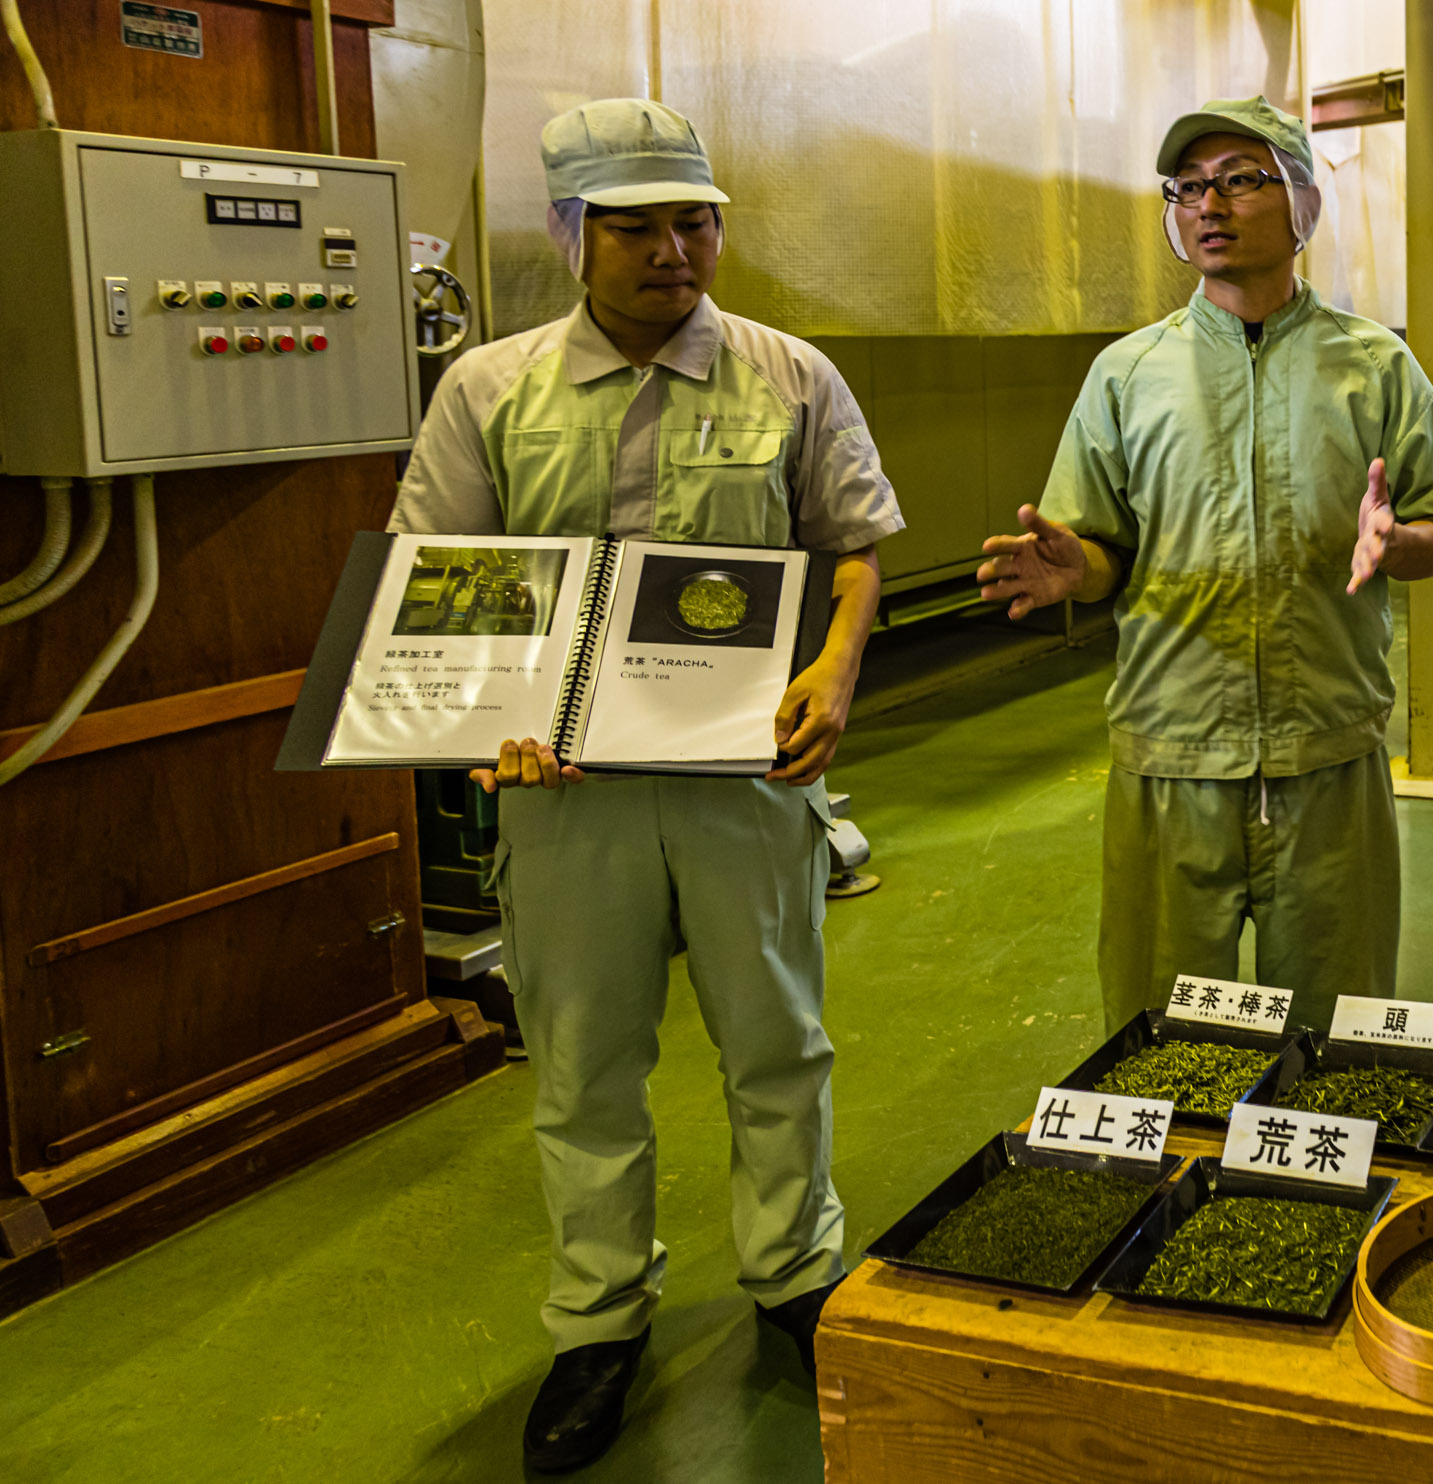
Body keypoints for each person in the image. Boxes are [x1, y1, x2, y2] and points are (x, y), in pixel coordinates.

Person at [389, 98, 904, 1473]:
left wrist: (837, 670)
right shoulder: (489, 391)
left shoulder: (790, 377)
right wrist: (489, 725)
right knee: (583, 1064)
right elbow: (441, 584)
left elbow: (855, 548)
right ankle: (600, 1321)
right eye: (635, 226)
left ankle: (795, 1274)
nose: (673, 250)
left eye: (695, 221)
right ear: (572, 232)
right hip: (568, 794)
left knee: (779, 1040)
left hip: (745, 778)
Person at [977, 96, 1433, 1036]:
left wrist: (1397, 542)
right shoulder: (1128, 375)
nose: (1208, 204)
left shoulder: (1374, 366)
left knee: (1338, 1037)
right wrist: (1077, 571)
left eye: (1240, 180)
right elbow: (1105, 549)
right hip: (1172, 756)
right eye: (1188, 187)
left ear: (1301, 203)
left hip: (1326, 753)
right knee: (1162, 1039)